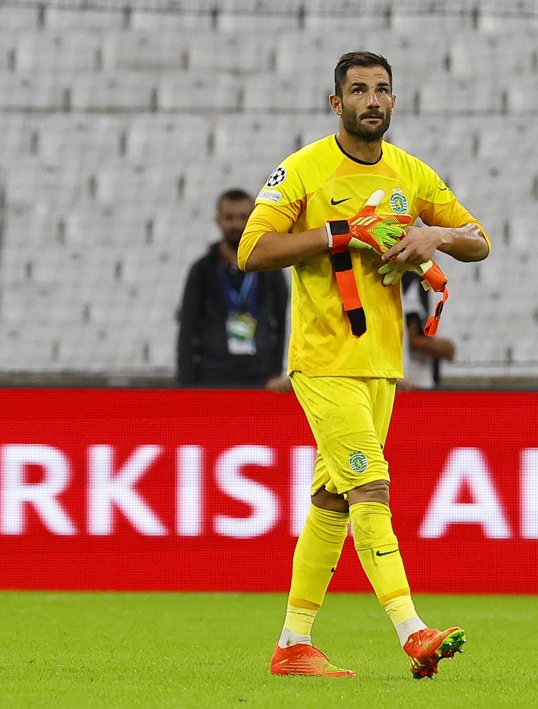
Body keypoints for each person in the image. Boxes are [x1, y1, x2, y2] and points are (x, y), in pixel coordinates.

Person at [238, 51, 490, 679]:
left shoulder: (411, 174)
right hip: (324, 360)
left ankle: (293, 643)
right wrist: (339, 234)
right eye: (358, 90)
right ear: (337, 103)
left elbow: (480, 241)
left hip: (382, 364)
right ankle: (413, 630)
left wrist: (436, 237)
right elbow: (252, 248)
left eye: (382, 90)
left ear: (394, 102)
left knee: (332, 499)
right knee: (371, 485)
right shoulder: (304, 170)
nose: (372, 100)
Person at [177, 188, 291, 390]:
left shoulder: (271, 268)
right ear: (218, 220)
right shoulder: (201, 270)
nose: (236, 224)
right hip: (212, 379)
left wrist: (277, 372)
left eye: (243, 217)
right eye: (229, 217)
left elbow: (283, 323)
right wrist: (187, 384)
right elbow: (188, 327)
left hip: (262, 379)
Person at [400, 270, 456, 390]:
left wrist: (415, 340)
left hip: (420, 386)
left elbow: (449, 350)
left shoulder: (426, 288)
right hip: (381, 384)